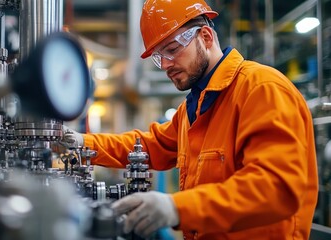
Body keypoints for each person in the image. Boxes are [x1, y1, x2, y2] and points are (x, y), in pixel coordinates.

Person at [62, 0, 318, 239]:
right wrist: (81, 143)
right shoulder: (193, 109)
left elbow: (277, 189)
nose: (165, 65)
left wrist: (177, 207)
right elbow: (149, 146)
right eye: (158, 57)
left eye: (172, 50)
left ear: (205, 37)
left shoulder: (261, 89)